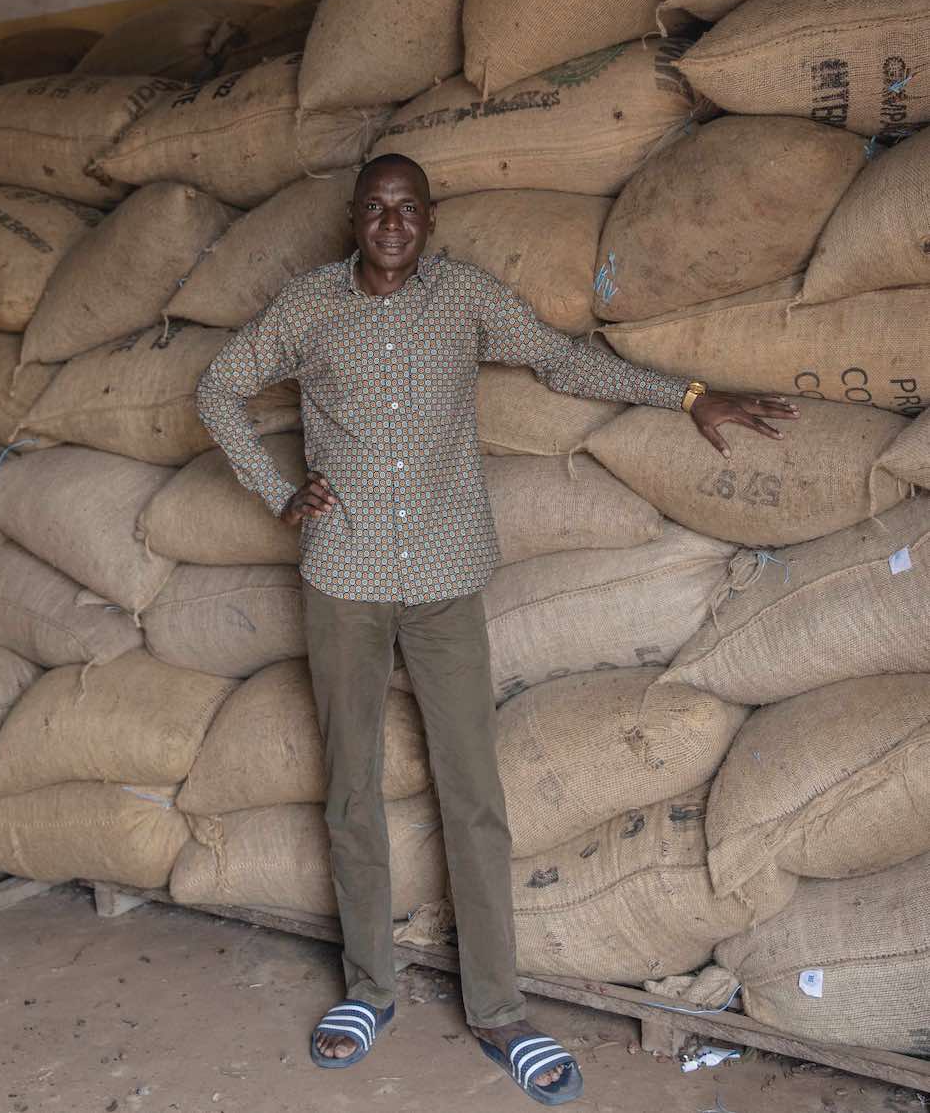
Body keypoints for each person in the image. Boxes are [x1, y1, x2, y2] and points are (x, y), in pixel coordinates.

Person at [196, 153, 797, 1106]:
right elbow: (217, 387)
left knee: (473, 793)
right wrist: (278, 494)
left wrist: (687, 396)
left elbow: (562, 359)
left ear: (429, 220)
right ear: (353, 218)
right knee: (349, 787)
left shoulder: (464, 300)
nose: (392, 223)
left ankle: (499, 1010)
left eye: (408, 209)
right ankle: (367, 989)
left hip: (445, 585)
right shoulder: (310, 307)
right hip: (342, 580)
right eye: (376, 208)